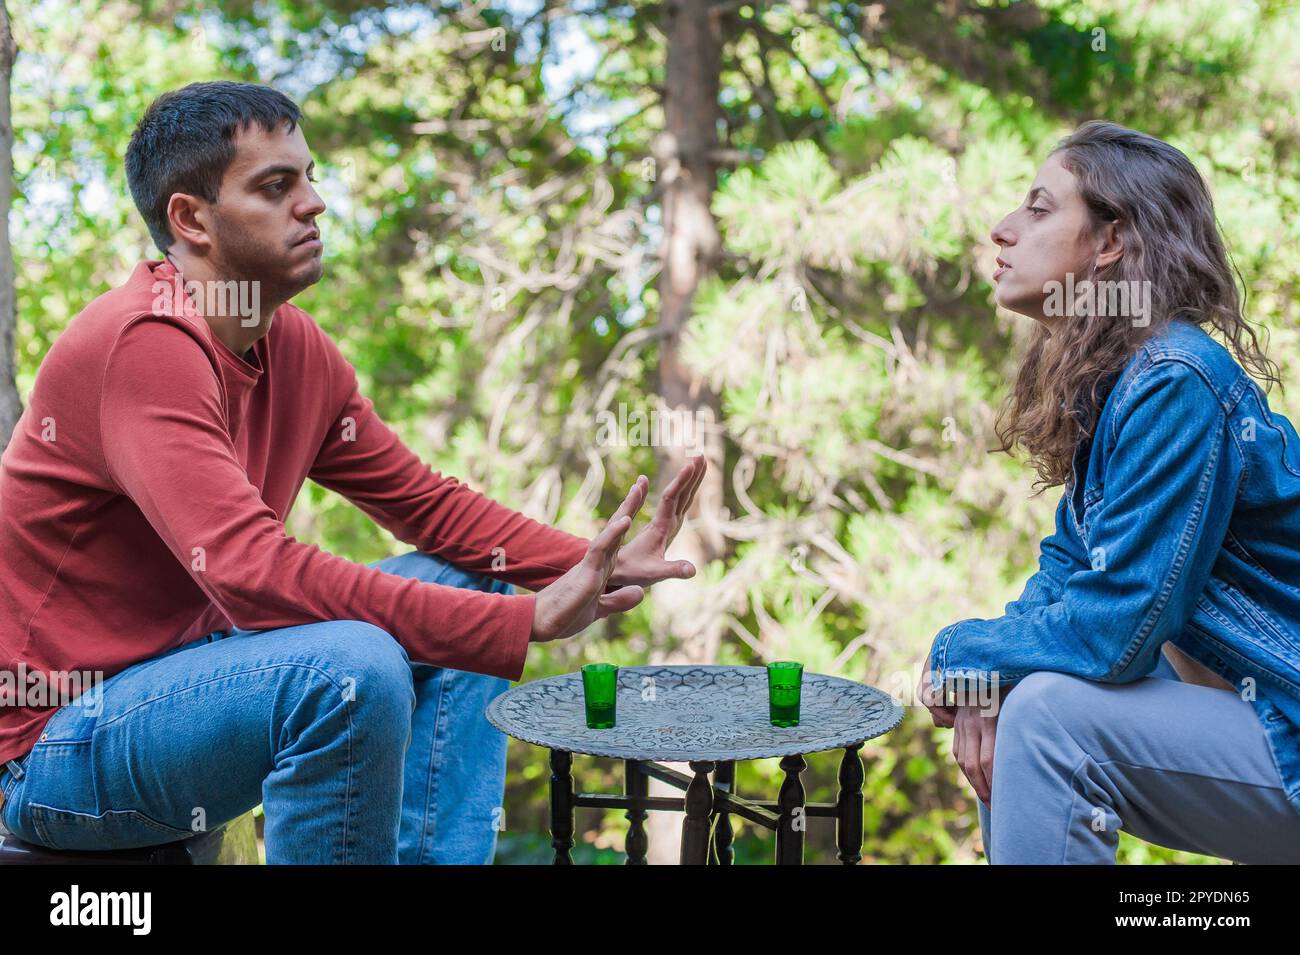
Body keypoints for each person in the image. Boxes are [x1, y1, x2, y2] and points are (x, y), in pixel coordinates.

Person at [0, 81, 707, 864]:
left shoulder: (293, 348)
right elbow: (250, 573)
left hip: (186, 688)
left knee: (466, 579)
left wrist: (588, 562)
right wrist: (523, 625)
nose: (315, 203)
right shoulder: (145, 345)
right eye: (276, 186)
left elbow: (429, 507)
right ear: (191, 219)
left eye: (308, 177)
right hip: (52, 747)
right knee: (349, 668)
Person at [917, 120, 1300, 864]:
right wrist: (984, 680)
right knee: (1020, 697)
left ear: (1110, 242)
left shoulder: (1175, 380)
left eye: (1036, 207)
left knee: (1045, 716)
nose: (1001, 230)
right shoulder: (1121, 389)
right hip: (1264, 734)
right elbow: (1063, 581)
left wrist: (958, 653)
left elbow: (1113, 631)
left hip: (1287, 726)